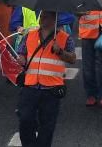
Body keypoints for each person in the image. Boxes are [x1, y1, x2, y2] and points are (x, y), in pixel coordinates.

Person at [16, 10, 76, 147]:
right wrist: (21, 59)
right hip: (30, 85)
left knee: (47, 126)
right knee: (25, 120)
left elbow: (72, 58)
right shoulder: (29, 35)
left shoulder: (65, 38)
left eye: (45, 17)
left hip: (52, 88)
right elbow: (21, 53)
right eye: (41, 16)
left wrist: (60, 51)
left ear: (54, 19)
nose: (41, 19)